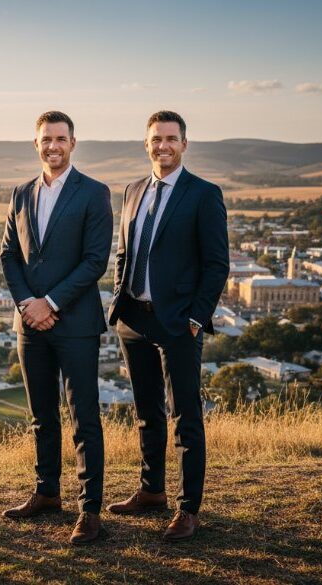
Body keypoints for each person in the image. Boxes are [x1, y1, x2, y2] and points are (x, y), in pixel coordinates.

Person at [106, 110, 229, 540]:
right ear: (146, 144)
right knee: (146, 412)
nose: (163, 146)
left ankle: (188, 508)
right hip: (133, 317)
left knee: (186, 416)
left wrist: (197, 317)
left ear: (184, 144)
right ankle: (151, 490)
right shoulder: (133, 189)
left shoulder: (203, 193)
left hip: (179, 322)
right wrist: (119, 296)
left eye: (171, 139)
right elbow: (124, 250)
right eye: (156, 138)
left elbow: (217, 265)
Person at [0, 111, 113, 545]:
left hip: (76, 323)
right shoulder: (20, 193)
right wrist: (29, 304)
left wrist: (51, 302)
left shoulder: (93, 193)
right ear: (36, 143)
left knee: (84, 418)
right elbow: (10, 255)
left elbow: (94, 261)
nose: (53, 146)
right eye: (46, 139)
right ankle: (46, 493)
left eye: (61, 139)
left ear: (73, 142)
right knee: (40, 416)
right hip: (30, 324)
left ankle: (89, 510)